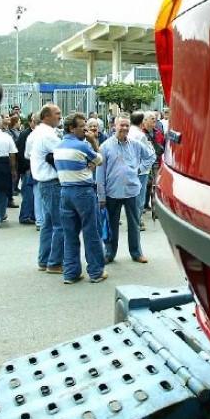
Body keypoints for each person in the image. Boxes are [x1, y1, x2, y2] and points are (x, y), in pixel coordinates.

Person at [54, 113, 108, 284]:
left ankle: (71, 273)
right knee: (91, 232)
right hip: (83, 192)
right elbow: (100, 159)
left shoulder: (59, 146)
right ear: (72, 128)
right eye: (82, 127)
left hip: (65, 191)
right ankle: (96, 271)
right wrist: (93, 142)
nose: (86, 130)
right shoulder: (81, 146)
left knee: (70, 234)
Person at [96, 114, 155, 264]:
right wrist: (101, 196)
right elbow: (100, 174)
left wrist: (140, 169)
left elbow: (151, 156)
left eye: (127, 125)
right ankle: (109, 253)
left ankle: (136, 253)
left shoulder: (135, 144)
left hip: (132, 191)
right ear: (114, 126)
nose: (124, 128)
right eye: (121, 125)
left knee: (134, 224)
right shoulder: (105, 147)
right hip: (112, 192)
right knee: (112, 225)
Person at [30, 103, 64, 274]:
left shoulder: (39, 132)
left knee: (48, 224)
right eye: (57, 113)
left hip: (44, 182)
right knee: (59, 225)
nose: (60, 116)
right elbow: (66, 152)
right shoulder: (48, 135)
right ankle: (55, 262)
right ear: (46, 117)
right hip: (52, 183)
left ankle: (44, 260)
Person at [128, 111, 154, 230]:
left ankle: (134, 221)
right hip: (140, 170)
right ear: (142, 121)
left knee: (133, 197)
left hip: (130, 169)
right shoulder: (140, 135)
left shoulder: (129, 132)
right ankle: (136, 222)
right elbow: (149, 155)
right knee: (139, 198)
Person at [16, 112, 37, 225]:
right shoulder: (25, 134)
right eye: (35, 121)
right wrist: (25, 168)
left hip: (35, 169)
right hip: (28, 169)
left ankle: (33, 215)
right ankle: (25, 216)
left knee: (34, 194)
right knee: (28, 194)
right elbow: (20, 153)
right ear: (30, 122)